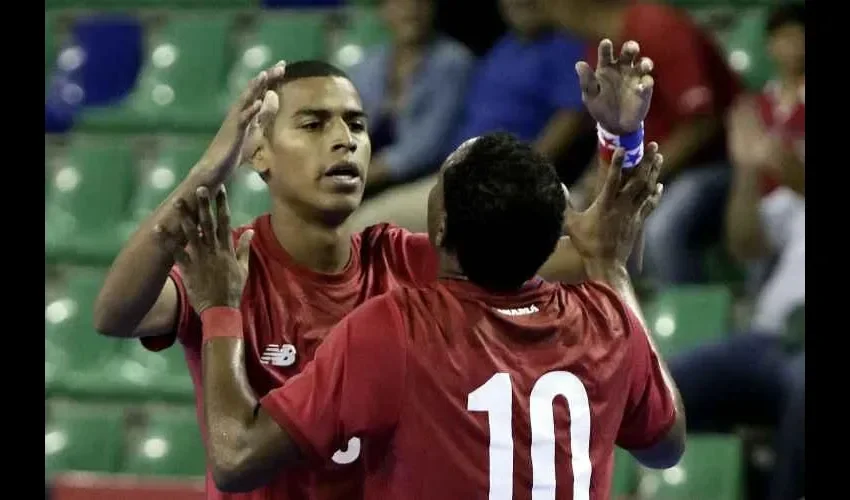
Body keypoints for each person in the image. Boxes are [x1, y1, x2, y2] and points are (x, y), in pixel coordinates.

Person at [93, 41, 642, 498]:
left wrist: (620, 144)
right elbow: (115, 313)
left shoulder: (407, 258)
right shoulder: (226, 267)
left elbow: (598, 257)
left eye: (356, 123)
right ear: (258, 152)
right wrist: (210, 169)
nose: (344, 139)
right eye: (313, 123)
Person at [162, 135, 684, 498]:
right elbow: (666, 444)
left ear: (439, 227)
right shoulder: (607, 320)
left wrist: (220, 307)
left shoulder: (396, 326)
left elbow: (235, 459)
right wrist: (610, 266)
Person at [669, 6, 805, 499]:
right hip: (768, 341)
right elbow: (744, 242)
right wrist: (748, 172)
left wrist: (784, 165)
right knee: (664, 383)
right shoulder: (794, 205)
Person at [544, 0, 742, 285]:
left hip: (716, 163)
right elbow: (611, 132)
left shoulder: (658, 26)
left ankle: (691, 320)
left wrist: (635, 179)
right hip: (655, 169)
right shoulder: (598, 46)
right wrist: (593, 185)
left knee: (660, 230)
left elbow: (701, 124)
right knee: (568, 222)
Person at [348, 0, 591, 232]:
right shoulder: (505, 45)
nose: (519, 2)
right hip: (455, 172)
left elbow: (572, 117)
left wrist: (523, 176)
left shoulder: (565, 45)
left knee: (362, 226)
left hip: (491, 181)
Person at [348, 0, 474, 195]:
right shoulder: (370, 63)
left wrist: (364, 174)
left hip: (421, 179)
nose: (411, 9)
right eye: (399, 2)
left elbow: (427, 148)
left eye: (420, 2)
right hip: (362, 172)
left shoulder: (453, 62)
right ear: (383, 11)